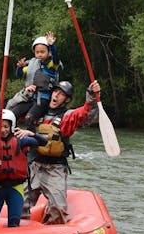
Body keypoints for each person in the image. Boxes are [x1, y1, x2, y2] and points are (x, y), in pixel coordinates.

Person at [22, 80, 101, 224]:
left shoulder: (67, 116)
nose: (56, 96)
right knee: (19, 205)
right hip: (33, 166)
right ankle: (17, 233)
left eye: (61, 94)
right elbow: (12, 110)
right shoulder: (36, 111)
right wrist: (26, 93)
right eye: (55, 92)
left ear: (67, 100)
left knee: (58, 208)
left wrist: (92, 95)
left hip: (54, 169)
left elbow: (86, 114)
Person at [0, 109, 47, 229]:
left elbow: (43, 142)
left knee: (14, 223)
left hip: (15, 189)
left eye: (6, 127)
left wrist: (32, 133)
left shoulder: (21, 141)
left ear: (12, 126)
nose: (2, 130)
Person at [8, 31, 63, 131]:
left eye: (43, 52)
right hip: (30, 98)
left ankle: (33, 141)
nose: (40, 54)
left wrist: (52, 46)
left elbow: (56, 58)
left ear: (49, 52)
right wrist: (19, 68)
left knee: (29, 118)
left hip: (43, 99)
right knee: (11, 115)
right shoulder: (32, 65)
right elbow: (19, 75)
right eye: (37, 52)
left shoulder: (52, 65)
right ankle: (12, 139)